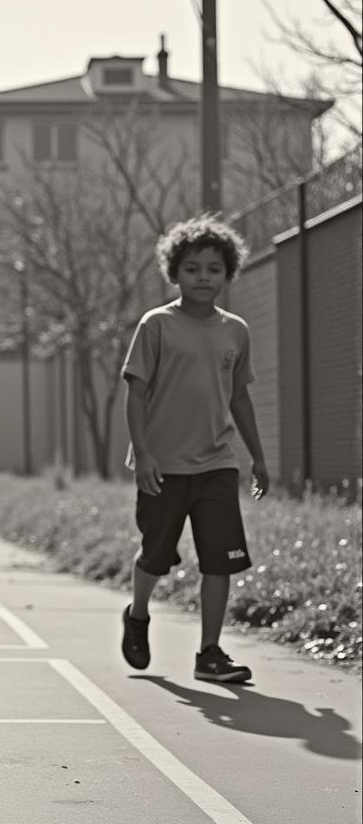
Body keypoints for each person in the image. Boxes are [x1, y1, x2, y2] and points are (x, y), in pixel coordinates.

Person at [120, 214, 269, 683]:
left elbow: (239, 395)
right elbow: (136, 392)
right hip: (162, 465)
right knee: (156, 556)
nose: (203, 277)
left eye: (213, 268)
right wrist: (143, 454)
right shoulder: (156, 324)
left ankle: (209, 653)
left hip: (218, 463)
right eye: (192, 268)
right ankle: (138, 614)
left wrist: (258, 457)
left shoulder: (235, 331)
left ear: (228, 273)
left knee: (219, 559)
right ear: (174, 272)